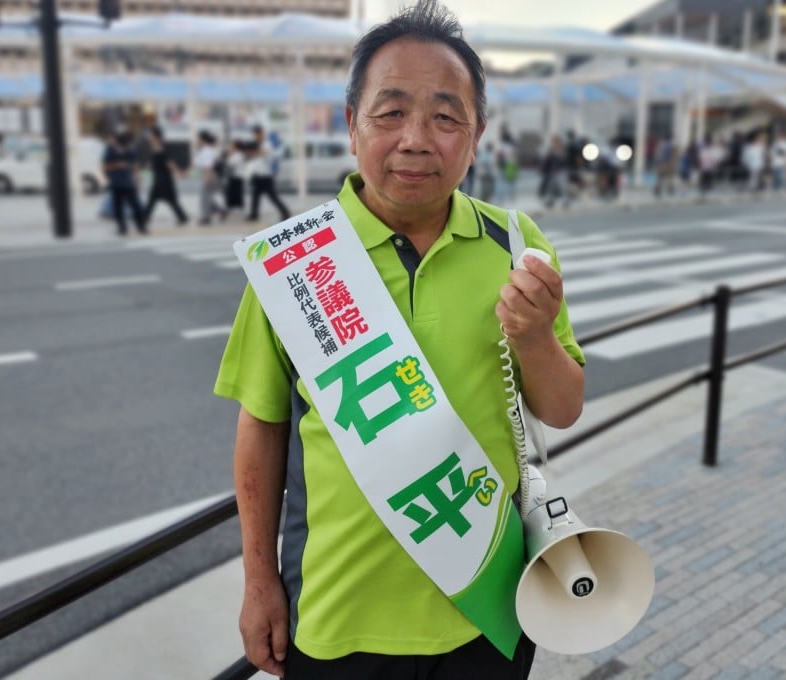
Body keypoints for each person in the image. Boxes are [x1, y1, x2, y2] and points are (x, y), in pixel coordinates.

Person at [213, 2, 585, 678]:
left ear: (477, 136)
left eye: (447, 117)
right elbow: (261, 428)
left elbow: (562, 408)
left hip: (490, 606)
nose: (417, 138)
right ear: (352, 125)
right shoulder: (295, 263)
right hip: (336, 618)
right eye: (390, 113)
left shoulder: (516, 243)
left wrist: (534, 338)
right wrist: (259, 582)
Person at [102, 130, 146, 235]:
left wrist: (137, 179)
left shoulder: (130, 151)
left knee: (135, 205)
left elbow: (135, 166)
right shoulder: (110, 150)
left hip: (128, 182)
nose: (126, 146)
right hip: (116, 183)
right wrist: (117, 165)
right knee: (118, 207)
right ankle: (122, 228)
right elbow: (105, 165)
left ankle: (141, 226)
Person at [142, 125, 188, 227]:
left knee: (161, 199)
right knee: (162, 199)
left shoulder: (162, 148)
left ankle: (144, 218)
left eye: (151, 136)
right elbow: (155, 162)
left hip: (163, 179)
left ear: (157, 137)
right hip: (159, 177)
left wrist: (178, 173)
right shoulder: (154, 148)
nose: (149, 137)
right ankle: (182, 217)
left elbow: (169, 163)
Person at [245, 124, 290, 223]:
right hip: (258, 176)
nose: (255, 136)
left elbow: (265, 154)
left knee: (272, 196)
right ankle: (254, 214)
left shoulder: (266, 144)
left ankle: (285, 212)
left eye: (257, 134)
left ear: (261, 134)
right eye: (254, 134)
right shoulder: (258, 145)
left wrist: (253, 152)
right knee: (255, 196)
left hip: (265, 176)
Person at [194, 130, 225, 225]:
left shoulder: (207, 150)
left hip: (209, 175)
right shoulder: (206, 150)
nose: (197, 141)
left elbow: (208, 166)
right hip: (208, 174)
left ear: (203, 139)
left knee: (205, 198)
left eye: (198, 139)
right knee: (208, 198)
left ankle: (206, 217)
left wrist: (206, 178)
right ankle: (220, 210)